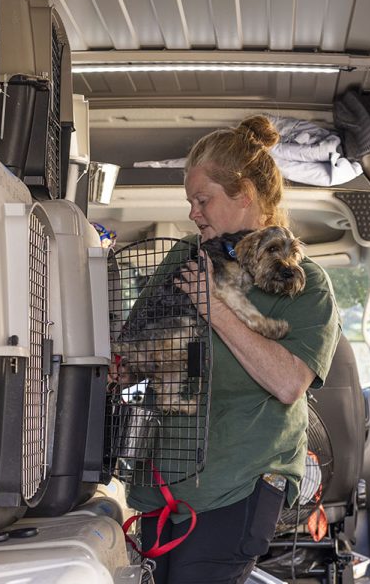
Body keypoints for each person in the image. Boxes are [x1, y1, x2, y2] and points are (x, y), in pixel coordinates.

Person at [124, 115, 342, 584]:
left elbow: (289, 383)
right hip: (163, 485)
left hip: (238, 485)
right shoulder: (185, 256)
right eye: (190, 202)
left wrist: (214, 306)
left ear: (244, 194)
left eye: (203, 200)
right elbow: (135, 351)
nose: (194, 213)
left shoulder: (305, 286)